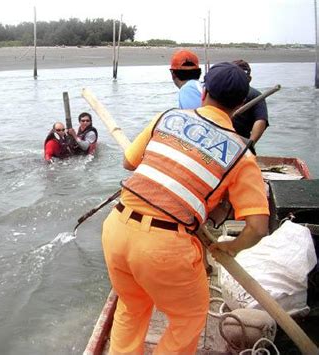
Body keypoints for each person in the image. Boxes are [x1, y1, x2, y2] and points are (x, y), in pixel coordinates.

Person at [101, 62, 269, 354]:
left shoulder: (167, 118)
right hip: (164, 247)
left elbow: (129, 162)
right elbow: (257, 227)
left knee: (132, 305)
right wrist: (233, 246)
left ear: (204, 92)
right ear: (242, 103)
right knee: (188, 317)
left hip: (116, 227)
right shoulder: (242, 155)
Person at [232, 59, 269, 154]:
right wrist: (250, 144)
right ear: (249, 78)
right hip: (241, 143)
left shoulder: (219, 91)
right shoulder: (256, 95)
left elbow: (261, 121)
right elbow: (261, 121)